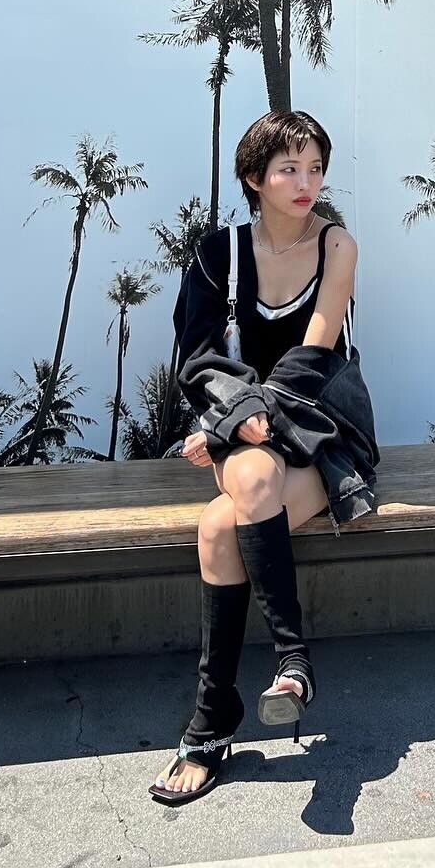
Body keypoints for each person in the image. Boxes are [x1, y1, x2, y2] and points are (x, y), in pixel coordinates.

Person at [150, 109, 379, 806]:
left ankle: (211, 722)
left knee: (218, 525)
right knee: (252, 474)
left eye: (315, 168)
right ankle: (292, 662)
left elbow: (313, 356)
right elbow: (197, 357)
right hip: (246, 437)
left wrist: (232, 429)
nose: (306, 182)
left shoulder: (337, 245)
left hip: (323, 434)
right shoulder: (217, 252)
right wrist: (234, 421)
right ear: (254, 177)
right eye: (289, 169)